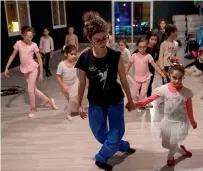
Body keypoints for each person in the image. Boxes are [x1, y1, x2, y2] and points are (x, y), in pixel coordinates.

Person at [75, 11, 136, 171]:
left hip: (115, 100)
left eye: (105, 38)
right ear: (90, 40)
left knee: (115, 132)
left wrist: (130, 100)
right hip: (95, 102)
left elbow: (123, 79)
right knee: (100, 135)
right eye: (97, 40)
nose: (102, 42)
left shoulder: (115, 56)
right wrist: (79, 105)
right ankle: (123, 146)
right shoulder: (84, 58)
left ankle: (101, 159)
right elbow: (81, 84)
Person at [135, 63, 197, 166]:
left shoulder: (186, 92)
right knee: (165, 144)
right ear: (169, 76)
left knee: (173, 143)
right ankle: (181, 150)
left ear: (183, 77)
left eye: (180, 78)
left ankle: (170, 158)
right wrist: (138, 103)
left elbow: (189, 109)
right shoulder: (164, 89)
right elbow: (151, 98)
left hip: (180, 122)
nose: (177, 81)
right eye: (174, 77)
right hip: (167, 121)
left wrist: (192, 121)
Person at [4, 26, 57, 118]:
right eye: (27, 37)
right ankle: (49, 101)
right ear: (22, 35)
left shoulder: (34, 45)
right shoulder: (18, 43)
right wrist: (7, 67)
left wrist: (41, 72)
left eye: (31, 36)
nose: (29, 38)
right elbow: (13, 55)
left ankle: (33, 108)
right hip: (25, 69)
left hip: (33, 68)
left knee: (30, 89)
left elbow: (40, 59)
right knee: (34, 89)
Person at [126, 38, 167, 106]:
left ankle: (141, 102)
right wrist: (124, 74)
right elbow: (128, 66)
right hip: (137, 78)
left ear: (147, 46)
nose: (142, 49)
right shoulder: (134, 56)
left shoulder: (148, 56)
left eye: (144, 47)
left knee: (142, 96)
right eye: (140, 47)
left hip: (146, 78)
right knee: (132, 96)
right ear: (137, 47)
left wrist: (163, 74)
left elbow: (155, 66)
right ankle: (141, 102)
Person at [56, 45, 80, 121]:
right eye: (71, 54)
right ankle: (78, 108)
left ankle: (68, 114)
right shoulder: (61, 64)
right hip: (66, 85)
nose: (73, 56)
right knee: (70, 99)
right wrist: (63, 87)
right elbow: (58, 77)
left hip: (75, 83)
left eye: (74, 54)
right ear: (66, 54)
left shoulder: (76, 62)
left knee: (73, 98)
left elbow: (81, 54)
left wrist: (87, 49)